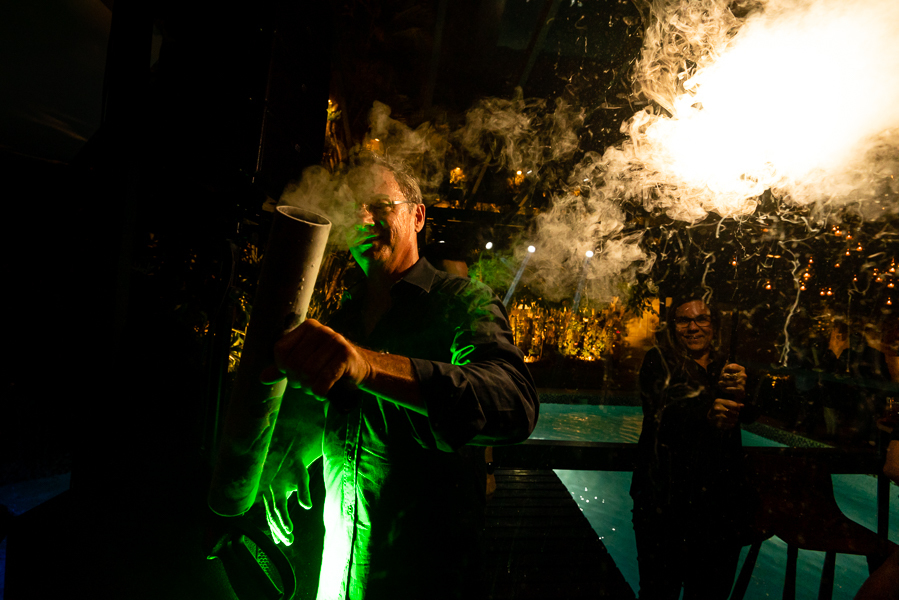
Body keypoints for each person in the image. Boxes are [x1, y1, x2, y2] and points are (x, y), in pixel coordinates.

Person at [259, 155, 539, 600]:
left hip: (426, 579)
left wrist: (369, 366)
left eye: (379, 205)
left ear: (417, 215)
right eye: (353, 209)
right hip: (339, 578)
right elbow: (352, 410)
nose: (364, 217)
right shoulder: (343, 319)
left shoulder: (463, 301)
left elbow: (513, 405)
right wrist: (298, 448)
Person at [630, 295, 754, 599]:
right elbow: (659, 408)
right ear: (674, 326)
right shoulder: (658, 360)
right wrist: (708, 412)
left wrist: (743, 395)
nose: (693, 327)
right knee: (659, 589)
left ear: (713, 325)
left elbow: (752, 414)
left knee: (710, 591)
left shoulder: (729, 365)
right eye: (684, 320)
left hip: (718, 505)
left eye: (702, 319)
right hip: (664, 498)